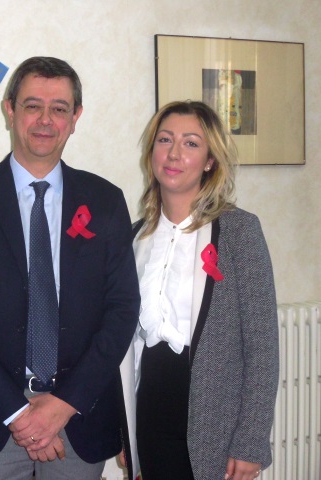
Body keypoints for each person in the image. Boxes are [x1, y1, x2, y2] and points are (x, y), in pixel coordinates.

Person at [0, 56, 140, 480]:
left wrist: (63, 404)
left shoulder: (105, 201)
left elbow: (122, 311)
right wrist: (18, 414)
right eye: (32, 106)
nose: (45, 120)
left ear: (75, 117)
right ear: (10, 110)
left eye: (59, 108)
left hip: (78, 417)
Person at [120, 100, 279, 480]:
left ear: (210, 161)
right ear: (151, 152)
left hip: (215, 424)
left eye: (191, 143)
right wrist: (123, 431)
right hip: (148, 417)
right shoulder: (133, 237)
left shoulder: (239, 232)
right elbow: (125, 345)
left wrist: (251, 441)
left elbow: (263, 348)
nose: (174, 153)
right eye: (165, 140)